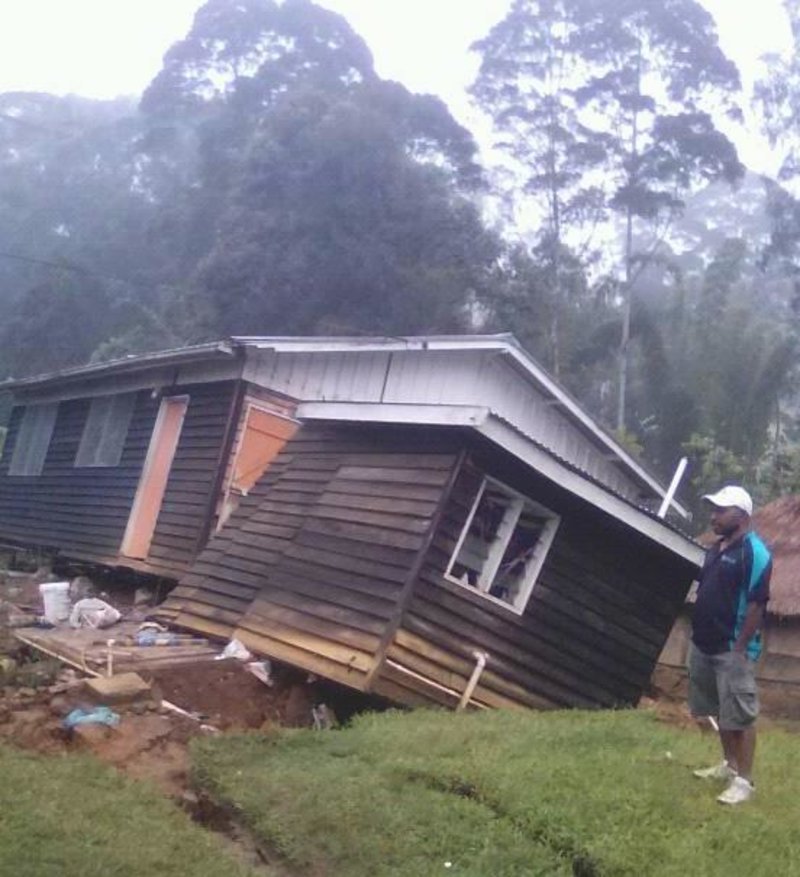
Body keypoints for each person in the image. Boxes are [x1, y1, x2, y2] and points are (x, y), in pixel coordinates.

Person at [688, 485, 771, 805]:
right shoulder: (716, 549)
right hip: (704, 644)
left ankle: (744, 781)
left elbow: (756, 605)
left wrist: (739, 649)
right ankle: (729, 764)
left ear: (742, 515)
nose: (714, 516)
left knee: (741, 715)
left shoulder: (755, 553)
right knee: (720, 710)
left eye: (721, 510)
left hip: (732, 648)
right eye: (713, 510)